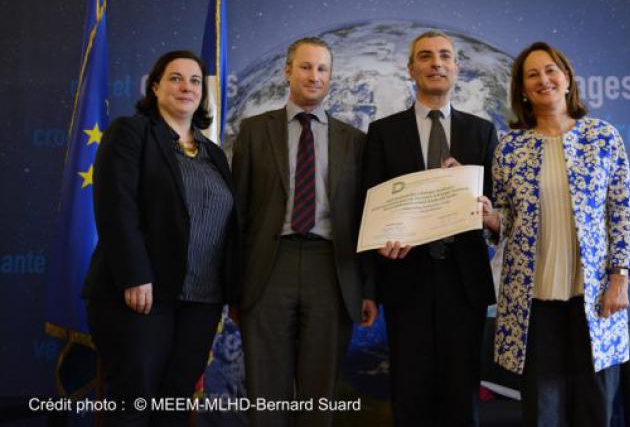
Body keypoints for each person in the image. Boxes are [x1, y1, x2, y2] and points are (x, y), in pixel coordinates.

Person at [480, 41, 630, 427]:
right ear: (522, 89)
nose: (543, 80)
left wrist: (620, 279)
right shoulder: (510, 148)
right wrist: (491, 219)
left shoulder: (603, 137)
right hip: (533, 303)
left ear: (567, 78)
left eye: (550, 70)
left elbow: (623, 210)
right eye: (532, 74)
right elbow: (507, 217)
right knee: (543, 412)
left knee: (594, 407)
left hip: (594, 298)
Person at [82, 50, 239, 427]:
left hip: (202, 301)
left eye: (195, 80)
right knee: (133, 403)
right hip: (141, 296)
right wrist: (135, 275)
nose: (186, 87)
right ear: (155, 86)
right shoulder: (130, 133)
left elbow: (228, 223)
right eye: (175, 78)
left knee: (173, 405)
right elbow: (116, 207)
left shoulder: (214, 154)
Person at [232, 36, 377, 427]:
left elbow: (367, 219)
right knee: (266, 392)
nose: (314, 76)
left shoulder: (355, 141)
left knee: (319, 395)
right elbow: (238, 215)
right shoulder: (254, 131)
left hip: (331, 269)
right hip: (268, 267)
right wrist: (234, 284)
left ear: (330, 77)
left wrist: (367, 288)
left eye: (322, 69)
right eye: (306, 67)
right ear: (287, 72)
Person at [362, 30, 498, 427]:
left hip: (465, 279)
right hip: (406, 277)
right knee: (410, 392)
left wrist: (488, 211)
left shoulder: (481, 132)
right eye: (425, 56)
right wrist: (379, 248)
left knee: (461, 395)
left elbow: (498, 208)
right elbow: (370, 206)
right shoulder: (384, 133)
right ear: (411, 69)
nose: (436, 63)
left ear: (456, 68)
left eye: (444, 56)